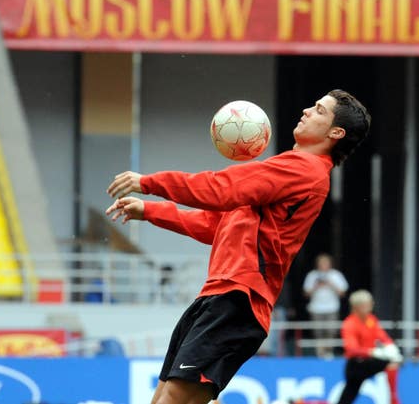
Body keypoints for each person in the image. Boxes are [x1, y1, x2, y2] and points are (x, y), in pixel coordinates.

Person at [105, 90, 371, 404]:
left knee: (175, 399)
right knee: (164, 397)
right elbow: (214, 225)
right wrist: (149, 211)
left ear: (335, 132)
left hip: (239, 299)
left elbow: (222, 188)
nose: (306, 110)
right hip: (217, 296)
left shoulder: (305, 169)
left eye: (319, 110)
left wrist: (150, 182)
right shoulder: (291, 170)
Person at [338, 290, 402, 404]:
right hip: (356, 365)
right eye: (366, 305)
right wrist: (373, 352)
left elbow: (382, 336)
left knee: (392, 363)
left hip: (368, 362)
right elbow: (352, 349)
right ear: (357, 307)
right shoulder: (349, 324)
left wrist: (390, 346)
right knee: (349, 394)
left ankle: (393, 399)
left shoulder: (371, 320)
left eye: (370, 304)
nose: (370, 307)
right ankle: (393, 400)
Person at [303, 253, 348, 357]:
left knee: (331, 331)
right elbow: (306, 293)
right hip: (316, 308)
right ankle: (320, 353)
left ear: (330, 264)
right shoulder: (312, 275)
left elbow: (343, 293)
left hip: (332, 308)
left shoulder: (336, 275)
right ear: (317, 264)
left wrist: (331, 284)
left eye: (326, 263)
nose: (323, 265)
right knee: (318, 332)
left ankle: (329, 352)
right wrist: (316, 286)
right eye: (321, 263)